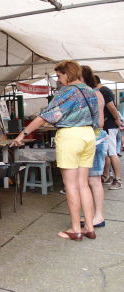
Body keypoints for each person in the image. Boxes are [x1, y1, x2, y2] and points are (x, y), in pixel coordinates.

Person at [11, 60, 98, 241]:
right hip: (89, 136)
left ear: (68, 73)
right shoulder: (90, 91)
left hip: (70, 137)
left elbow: (45, 116)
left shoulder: (66, 92)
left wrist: (22, 134)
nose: (58, 80)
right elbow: (96, 118)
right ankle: (89, 227)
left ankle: (75, 229)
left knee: (71, 185)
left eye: (59, 76)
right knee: (84, 184)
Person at [82, 66, 106, 228]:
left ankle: (99, 216)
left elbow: (100, 122)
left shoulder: (95, 94)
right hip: (90, 140)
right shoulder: (89, 93)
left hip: (95, 140)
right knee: (89, 180)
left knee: (94, 180)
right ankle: (93, 215)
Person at [95, 75, 123, 189]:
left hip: (111, 126)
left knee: (112, 153)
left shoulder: (104, 90)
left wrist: (117, 119)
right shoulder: (101, 91)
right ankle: (106, 176)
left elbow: (112, 108)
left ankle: (118, 180)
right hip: (106, 127)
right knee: (106, 153)